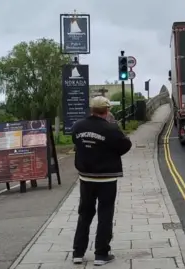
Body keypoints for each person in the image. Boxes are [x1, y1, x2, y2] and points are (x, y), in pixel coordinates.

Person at [71, 96, 132, 266]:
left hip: (86, 177)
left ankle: (78, 252)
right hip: (107, 178)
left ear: (91, 109)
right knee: (105, 214)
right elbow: (126, 145)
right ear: (107, 110)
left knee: (84, 213)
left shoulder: (78, 126)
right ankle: (101, 254)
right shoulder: (111, 129)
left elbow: (76, 141)